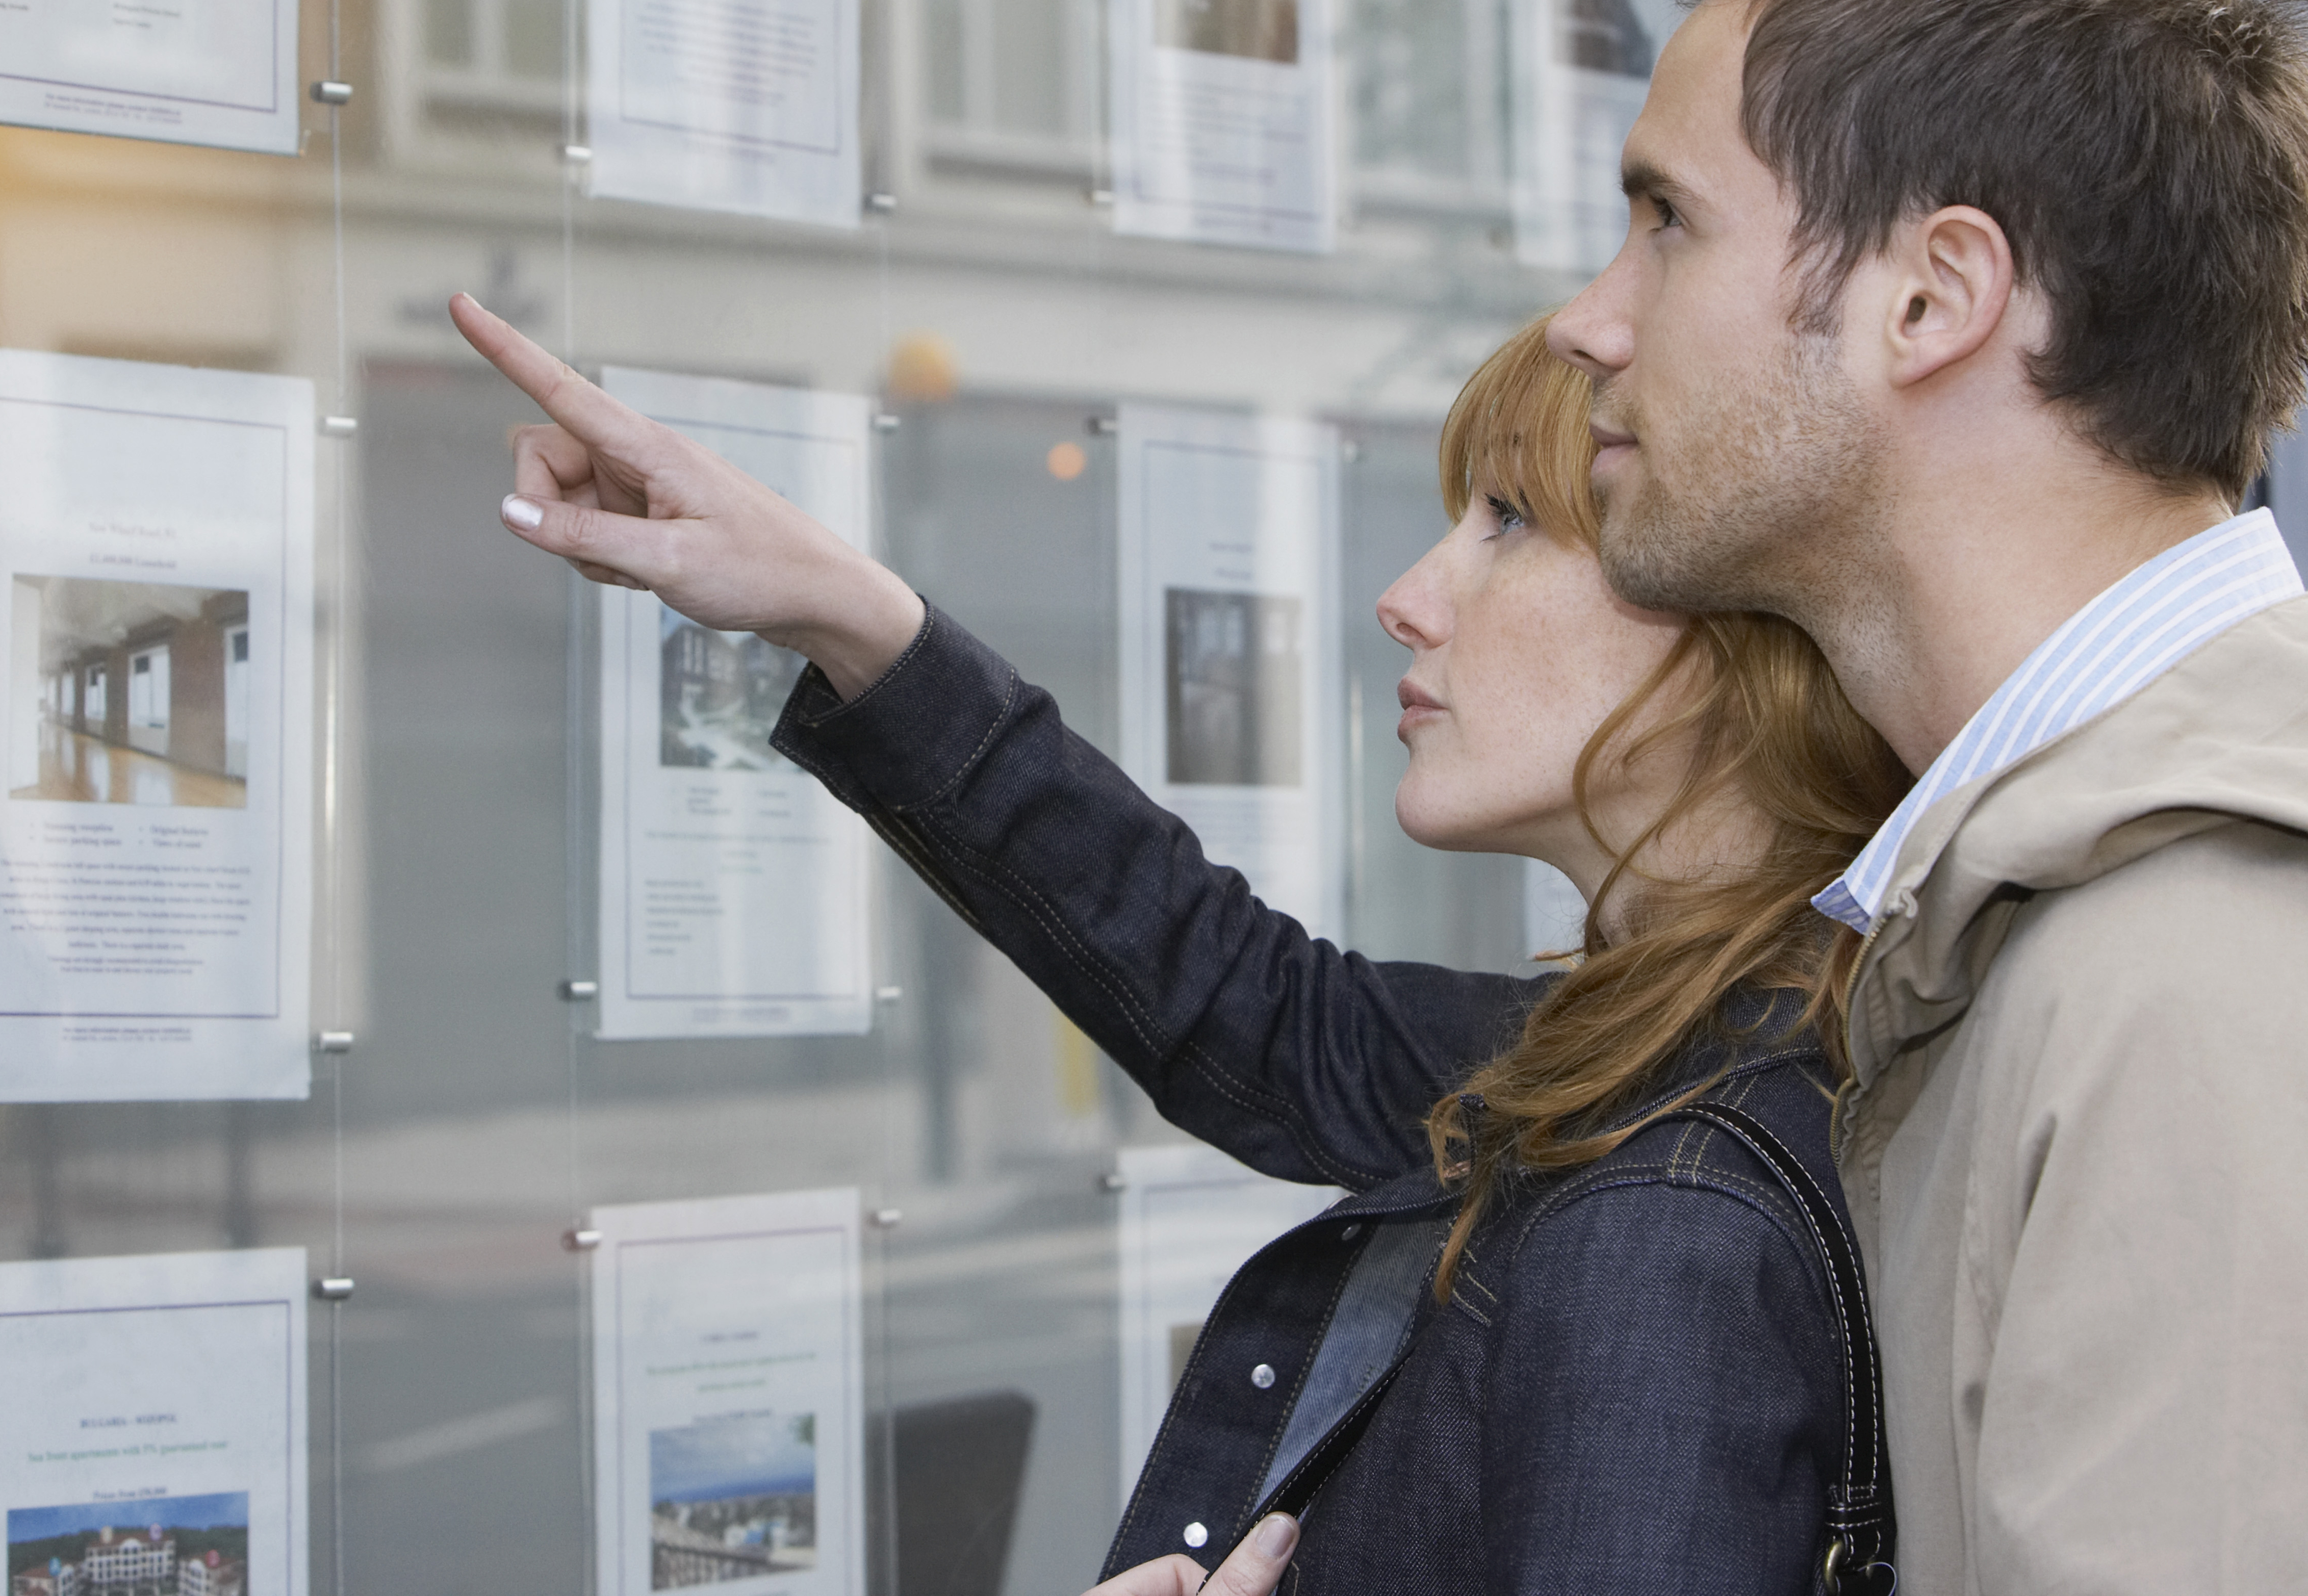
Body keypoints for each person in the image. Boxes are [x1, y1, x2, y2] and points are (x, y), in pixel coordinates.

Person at [1545, 0, 2308, 1589]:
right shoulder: (2123, 927)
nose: (1591, 323)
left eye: (1666, 220)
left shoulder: (2219, 1005)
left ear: (1935, 295)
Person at [450, 294, 1910, 1593]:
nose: (1410, 597)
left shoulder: (1667, 1210)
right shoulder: (1667, 1059)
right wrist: (842, 608)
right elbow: (1252, 1007)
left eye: (1509, 522)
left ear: (1738, 630)